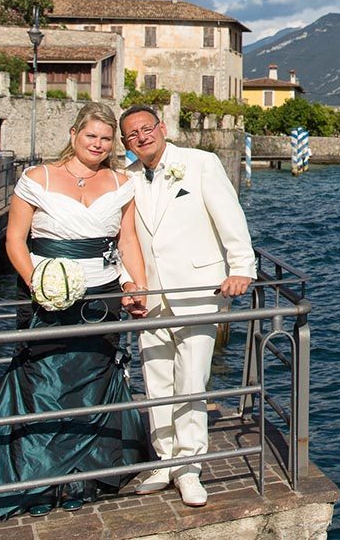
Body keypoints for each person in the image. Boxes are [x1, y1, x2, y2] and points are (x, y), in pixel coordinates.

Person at [0, 103, 152, 527]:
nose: (98, 144)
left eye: (106, 139)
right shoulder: (37, 179)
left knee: (92, 383)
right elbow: (15, 240)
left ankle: (83, 478)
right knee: (43, 383)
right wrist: (37, 283)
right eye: (91, 136)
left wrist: (136, 286)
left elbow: (127, 241)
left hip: (102, 298)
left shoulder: (122, 182)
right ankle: (37, 481)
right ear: (74, 134)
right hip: (45, 296)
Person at [119, 104, 255, 508]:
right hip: (149, 295)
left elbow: (230, 217)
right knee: (156, 380)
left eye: (147, 128)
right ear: (126, 143)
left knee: (192, 382)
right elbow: (122, 239)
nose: (142, 137)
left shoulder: (200, 163)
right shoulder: (125, 177)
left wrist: (241, 268)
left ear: (162, 128)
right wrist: (130, 284)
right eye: (132, 134)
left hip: (197, 289)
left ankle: (190, 467)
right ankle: (165, 461)